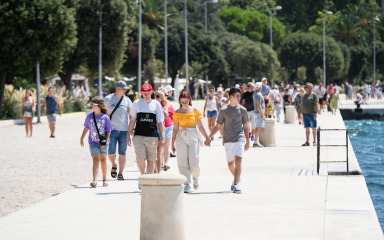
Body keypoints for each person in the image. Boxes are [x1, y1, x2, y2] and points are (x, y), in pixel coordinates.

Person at [209, 88, 249, 194]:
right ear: (231, 97)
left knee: (238, 161)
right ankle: (237, 177)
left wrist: (248, 141)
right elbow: (218, 125)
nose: (239, 98)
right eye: (237, 96)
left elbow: (245, 126)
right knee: (230, 164)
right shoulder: (224, 110)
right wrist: (209, 136)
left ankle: (235, 184)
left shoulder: (242, 110)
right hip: (228, 140)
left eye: (240, 96)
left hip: (239, 138)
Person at [127, 84, 165, 190]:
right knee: (140, 158)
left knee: (150, 160)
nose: (146, 95)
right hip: (138, 135)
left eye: (148, 93)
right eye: (144, 93)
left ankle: (147, 181)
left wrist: (162, 136)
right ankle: (142, 177)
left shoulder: (156, 104)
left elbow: (160, 122)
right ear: (141, 93)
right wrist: (128, 134)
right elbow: (132, 120)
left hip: (152, 136)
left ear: (151, 93)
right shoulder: (136, 103)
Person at [172, 91, 210, 193]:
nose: (184, 103)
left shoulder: (195, 111)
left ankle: (195, 177)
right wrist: (172, 143)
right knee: (182, 161)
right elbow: (175, 129)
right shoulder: (177, 112)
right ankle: (186, 183)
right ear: (179, 101)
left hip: (193, 134)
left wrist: (207, 137)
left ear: (190, 100)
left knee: (194, 161)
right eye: (182, 101)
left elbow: (201, 126)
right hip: (181, 135)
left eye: (186, 101)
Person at [80, 97, 112, 188]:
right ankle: (94, 180)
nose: (92, 106)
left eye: (94, 105)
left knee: (103, 160)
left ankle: (104, 180)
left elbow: (109, 130)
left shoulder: (105, 117)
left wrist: (105, 142)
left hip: (103, 142)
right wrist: (81, 138)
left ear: (99, 106)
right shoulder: (89, 116)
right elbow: (86, 128)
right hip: (92, 142)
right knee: (95, 160)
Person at [104, 81, 132, 180]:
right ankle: (114, 164)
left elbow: (131, 116)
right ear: (118, 88)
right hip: (111, 130)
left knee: (122, 153)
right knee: (111, 152)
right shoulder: (107, 99)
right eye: (124, 89)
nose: (125, 91)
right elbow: (103, 114)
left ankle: (120, 173)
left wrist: (132, 129)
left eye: (125, 89)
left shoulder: (127, 100)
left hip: (124, 130)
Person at [153, 90, 173, 172]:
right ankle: (159, 166)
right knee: (158, 148)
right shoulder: (151, 105)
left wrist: (159, 108)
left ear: (161, 98)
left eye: (158, 96)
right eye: (155, 96)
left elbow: (166, 115)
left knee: (165, 145)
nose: (156, 98)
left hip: (166, 127)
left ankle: (165, 163)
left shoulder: (164, 105)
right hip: (156, 128)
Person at [253, 82, 265, 147]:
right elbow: (259, 105)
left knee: (257, 127)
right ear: (260, 87)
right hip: (258, 113)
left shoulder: (255, 94)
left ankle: (256, 141)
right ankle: (255, 142)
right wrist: (262, 114)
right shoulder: (259, 95)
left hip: (255, 112)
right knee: (258, 127)